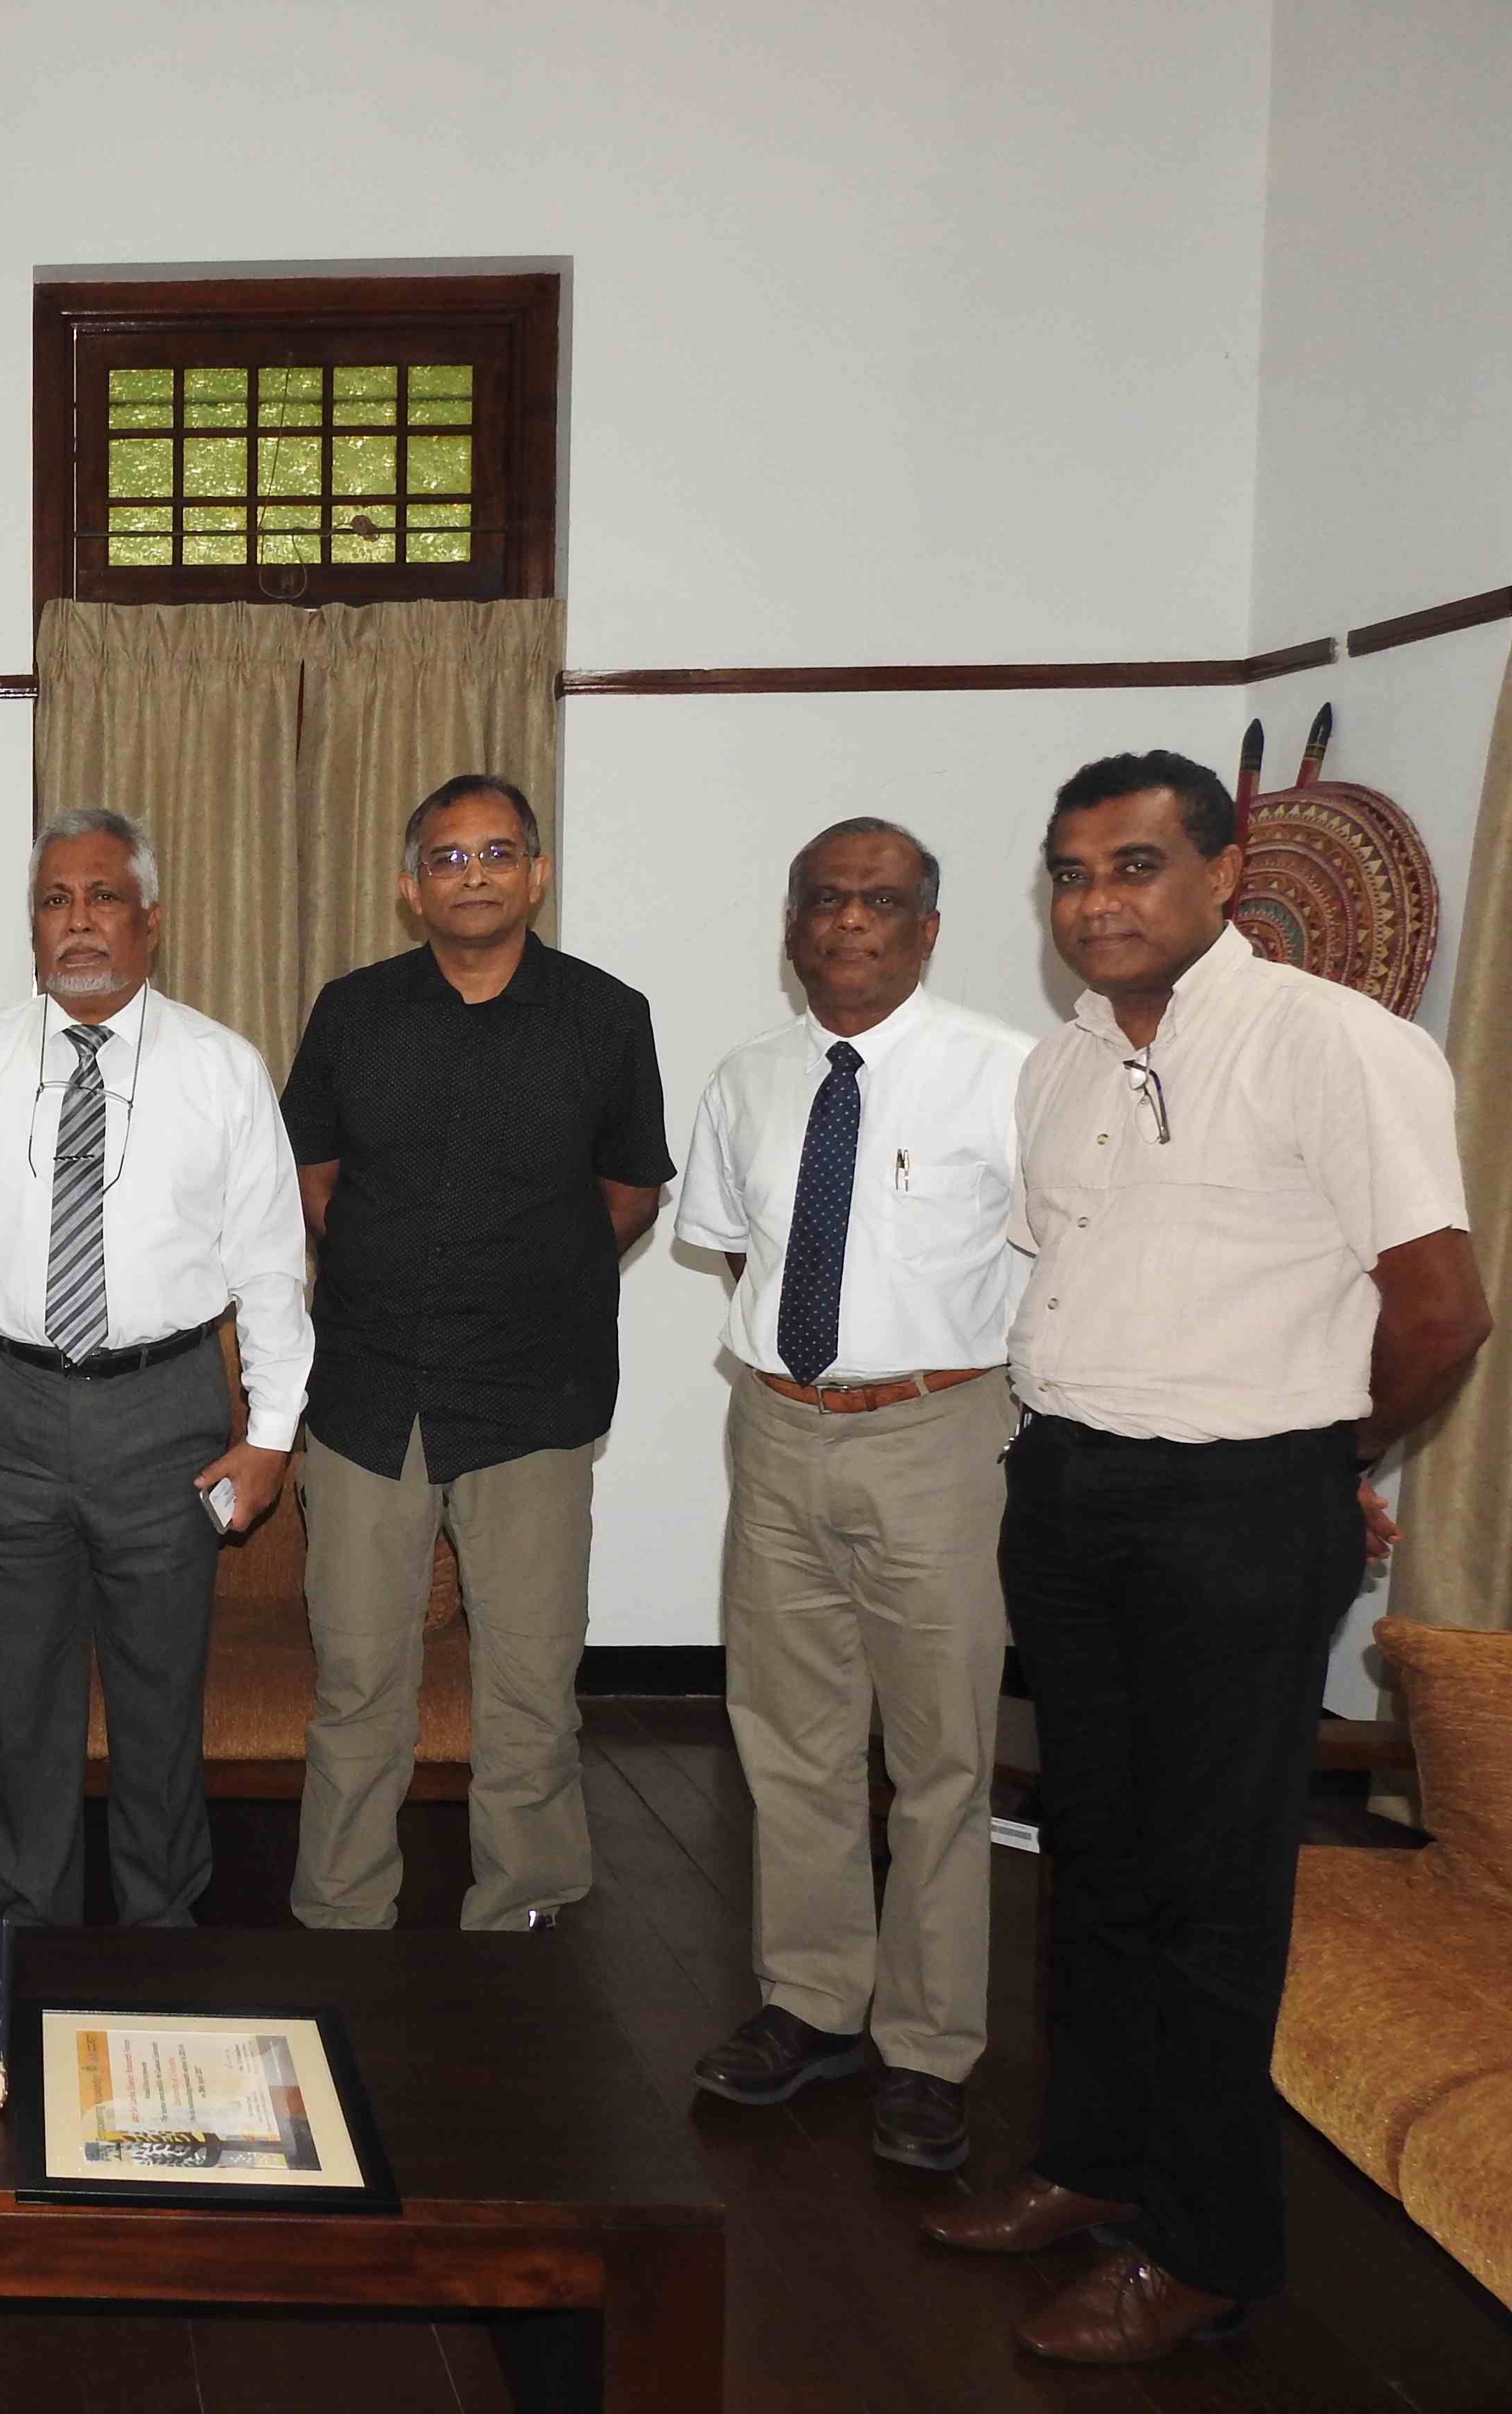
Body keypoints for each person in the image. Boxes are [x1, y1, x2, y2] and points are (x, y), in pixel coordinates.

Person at [926, 751, 1488, 2364]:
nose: (1097, 902)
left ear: (1223, 876)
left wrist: (1329, 1460)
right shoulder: (1062, 1067)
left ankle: (1212, 2248)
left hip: (1242, 1505)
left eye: (1136, 867)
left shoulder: (1338, 1048)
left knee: (1214, 1894)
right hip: (1074, 1486)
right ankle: (1089, 2170)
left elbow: (1442, 1309)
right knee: (1090, 1853)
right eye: (1073, 872)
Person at [0, 805, 309, 1929]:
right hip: (7, 1411)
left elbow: (270, 1268)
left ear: (150, 920)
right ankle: (33, 1924)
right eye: (55, 900)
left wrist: (270, 1436)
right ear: (33, 925)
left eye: (103, 897)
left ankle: (163, 1928)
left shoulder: (221, 1067)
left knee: (162, 1698)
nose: (79, 922)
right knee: (20, 1701)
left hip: (166, 1411)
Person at [673, 819, 1032, 2171]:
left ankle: (932, 2046)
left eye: (880, 902)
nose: (849, 922)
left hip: (936, 1435)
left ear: (928, 929)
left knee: (941, 1753)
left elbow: (1055, 1259)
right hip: (775, 1429)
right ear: (791, 923)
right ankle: (814, 2001)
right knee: (789, 1735)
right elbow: (730, 1249)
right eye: (824, 899)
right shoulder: (751, 1079)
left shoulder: (1006, 1074)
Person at [281, 775, 672, 1934]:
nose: (475, 875)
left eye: (499, 852)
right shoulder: (352, 1011)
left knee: (531, 1688)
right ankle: (344, 1914)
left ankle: (527, 1916)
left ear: (538, 875)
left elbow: (632, 1189)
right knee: (358, 1686)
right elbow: (314, 1181)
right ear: (412, 888)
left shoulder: (607, 1014)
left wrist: (530, 1272)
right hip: (368, 1396)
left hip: (533, 1399)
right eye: (448, 859)